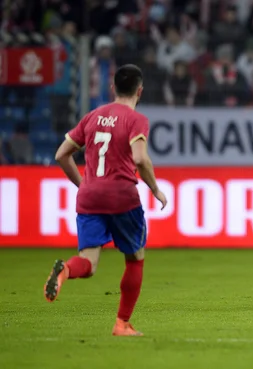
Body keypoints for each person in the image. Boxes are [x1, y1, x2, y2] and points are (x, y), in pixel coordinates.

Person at [44, 64, 168, 336]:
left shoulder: (92, 116)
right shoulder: (136, 120)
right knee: (135, 259)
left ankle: (65, 270)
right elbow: (139, 158)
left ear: (113, 87)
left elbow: (61, 155)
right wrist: (156, 189)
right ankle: (121, 324)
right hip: (122, 197)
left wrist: (83, 184)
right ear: (140, 90)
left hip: (90, 197)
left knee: (87, 263)